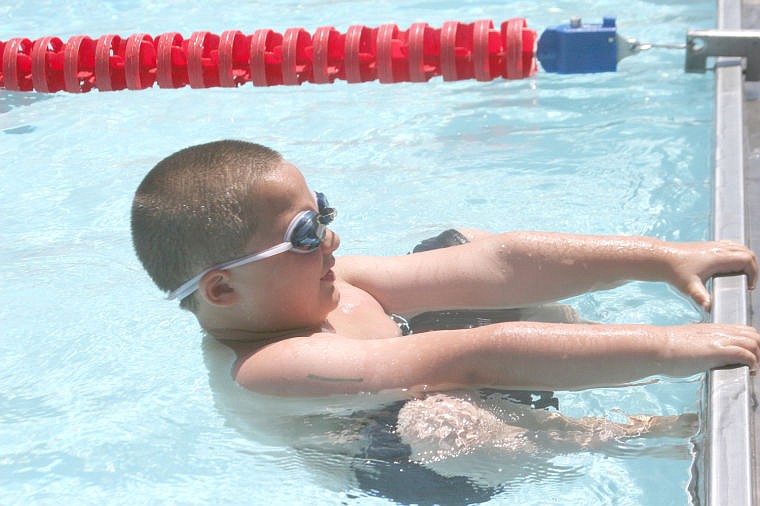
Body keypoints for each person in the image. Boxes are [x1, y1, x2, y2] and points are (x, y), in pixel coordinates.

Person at [131, 139, 760, 399]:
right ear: (223, 288)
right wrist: (670, 347)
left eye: (321, 214)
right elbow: (470, 357)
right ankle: (632, 432)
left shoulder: (335, 285)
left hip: (436, 352)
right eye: (305, 234)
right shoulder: (267, 365)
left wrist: (657, 257)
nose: (332, 239)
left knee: (463, 241)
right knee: (445, 420)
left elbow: (498, 263)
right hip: (395, 449)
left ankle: (571, 335)